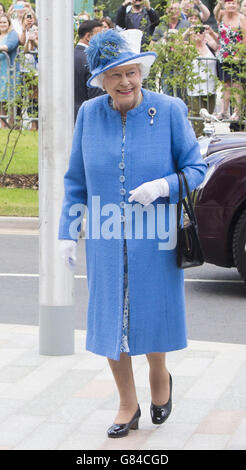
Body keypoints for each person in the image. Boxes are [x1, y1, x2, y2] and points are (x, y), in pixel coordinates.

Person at [58, 28, 207, 438]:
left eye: (130, 73)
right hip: (106, 240)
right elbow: (76, 180)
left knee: (150, 311)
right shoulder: (90, 115)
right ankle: (127, 402)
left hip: (156, 235)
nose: (125, 82)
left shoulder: (170, 110)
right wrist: (67, 232)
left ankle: (159, 375)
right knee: (111, 320)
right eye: (114, 75)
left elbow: (197, 169)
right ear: (101, 80)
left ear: (141, 72)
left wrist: (163, 186)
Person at [214, 0, 246, 120]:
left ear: (237, 5)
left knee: (237, 85)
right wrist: (219, 3)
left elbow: (245, 38)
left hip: (237, 55)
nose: (231, 5)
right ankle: (223, 111)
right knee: (226, 85)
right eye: (228, 3)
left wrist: (240, 54)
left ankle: (237, 112)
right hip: (223, 55)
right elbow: (215, 13)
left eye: (233, 3)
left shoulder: (241, 18)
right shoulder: (221, 14)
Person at [186, 24, 218, 136]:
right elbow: (175, 45)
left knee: (209, 119)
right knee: (198, 122)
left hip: (210, 89)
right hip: (195, 90)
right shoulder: (188, 48)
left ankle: (209, 142)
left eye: (201, 31)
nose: (198, 34)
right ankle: (199, 143)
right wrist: (187, 31)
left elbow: (222, 44)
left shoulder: (210, 46)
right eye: (196, 32)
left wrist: (211, 32)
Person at [74, 19, 104, 122]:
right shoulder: (93, 59)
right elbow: (96, 95)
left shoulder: (67, 57)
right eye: (100, 35)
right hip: (88, 116)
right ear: (88, 37)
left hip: (67, 115)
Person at [0, 13, 19, 128]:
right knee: (1, 100)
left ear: (9, 23)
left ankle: (11, 124)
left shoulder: (12, 35)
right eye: (0, 22)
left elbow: (8, 47)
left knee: (10, 99)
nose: (2, 24)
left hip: (9, 72)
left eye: (4, 22)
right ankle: (2, 124)